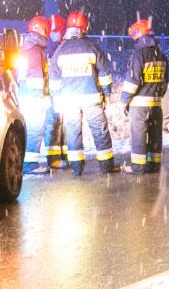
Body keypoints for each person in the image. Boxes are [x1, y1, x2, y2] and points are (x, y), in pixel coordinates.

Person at [48, 10, 118, 175]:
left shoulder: (60, 50)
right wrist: (107, 93)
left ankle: (76, 168)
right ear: (84, 28)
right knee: (100, 132)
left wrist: (56, 99)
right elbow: (105, 74)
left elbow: (54, 81)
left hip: (68, 100)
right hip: (91, 98)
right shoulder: (91, 47)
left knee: (73, 133)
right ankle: (106, 167)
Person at [120, 19, 168, 174]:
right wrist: (157, 95)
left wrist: (125, 100)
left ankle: (139, 166)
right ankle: (154, 165)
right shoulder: (161, 55)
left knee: (139, 135)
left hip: (139, 105)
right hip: (156, 104)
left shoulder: (138, 55)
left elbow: (133, 81)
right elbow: (165, 81)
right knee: (155, 135)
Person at [19, 15, 63, 174]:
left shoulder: (27, 48)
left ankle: (26, 163)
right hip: (34, 97)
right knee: (35, 129)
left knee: (31, 129)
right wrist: (43, 98)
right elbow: (37, 79)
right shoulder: (36, 51)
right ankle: (30, 165)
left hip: (26, 94)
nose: (47, 34)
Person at [45, 13, 67, 168]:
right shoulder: (54, 48)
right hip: (53, 91)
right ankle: (54, 159)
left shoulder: (49, 47)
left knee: (61, 123)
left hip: (57, 90)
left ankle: (62, 156)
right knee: (54, 123)